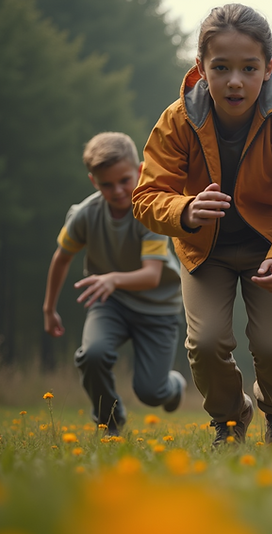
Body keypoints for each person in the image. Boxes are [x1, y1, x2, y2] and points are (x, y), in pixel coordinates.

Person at [132, 4, 272, 446]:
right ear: (201, 68)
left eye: (248, 68)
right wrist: (184, 210)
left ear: (268, 69)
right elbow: (145, 197)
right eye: (220, 67)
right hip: (205, 251)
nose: (234, 80)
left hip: (270, 247)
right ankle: (230, 420)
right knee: (205, 344)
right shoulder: (178, 119)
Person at [42, 132, 185, 436]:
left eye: (124, 180)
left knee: (150, 392)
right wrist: (49, 308)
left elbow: (151, 276)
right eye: (107, 184)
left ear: (140, 171)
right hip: (112, 303)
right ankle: (110, 421)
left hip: (157, 308)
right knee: (92, 355)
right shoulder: (85, 214)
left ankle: (172, 386)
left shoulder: (150, 212)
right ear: (94, 181)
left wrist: (112, 278)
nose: (118, 191)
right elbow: (62, 258)